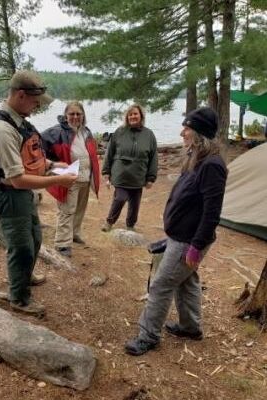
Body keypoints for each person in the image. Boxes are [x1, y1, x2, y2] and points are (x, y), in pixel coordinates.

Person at [125, 107, 227, 356]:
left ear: (200, 134)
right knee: (186, 280)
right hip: (180, 237)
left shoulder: (212, 165)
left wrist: (195, 246)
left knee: (161, 285)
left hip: (189, 241)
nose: (182, 133)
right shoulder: (196, 157)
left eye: (187, 129)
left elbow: (212, 213)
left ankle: (148, 336)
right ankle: (190, 327)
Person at [0, 70, 77, 315]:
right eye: (35, 101)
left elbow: (28, 157)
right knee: (21, 248)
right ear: (21, 95)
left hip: (21, 195)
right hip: (9, 196)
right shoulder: (2, 130)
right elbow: (17, 179)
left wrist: (53, 165)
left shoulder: (18, 120)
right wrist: (58, 181)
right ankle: (19, 298)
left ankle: (24, 276)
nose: (37, 106)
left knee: (35, 239)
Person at [41, 101, 100, 258]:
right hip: (68, 178)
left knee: (80, 209)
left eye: (78, 114)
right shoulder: (56, 132)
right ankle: (62, 243)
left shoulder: (86, 132)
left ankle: (74, 233)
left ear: (83, 116)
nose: (75, 117)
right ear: (66, 115)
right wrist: (52, 168)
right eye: (72, 114)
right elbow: (39, 148)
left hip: (85, 178)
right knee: (66, 211)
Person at [101, 104, 158, 232]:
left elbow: (154, 157)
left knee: (135, 203)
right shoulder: (119, 132)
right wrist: (106, 171)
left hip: (138, 175)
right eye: (130, 114)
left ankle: (130, 225)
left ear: (141, 116)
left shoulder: (149, 135)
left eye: (135, 114)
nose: (133, 116)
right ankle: (109, 222)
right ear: (127, 117)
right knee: (120, 198)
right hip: (120, 174)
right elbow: (109, 152)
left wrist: (151, 177)